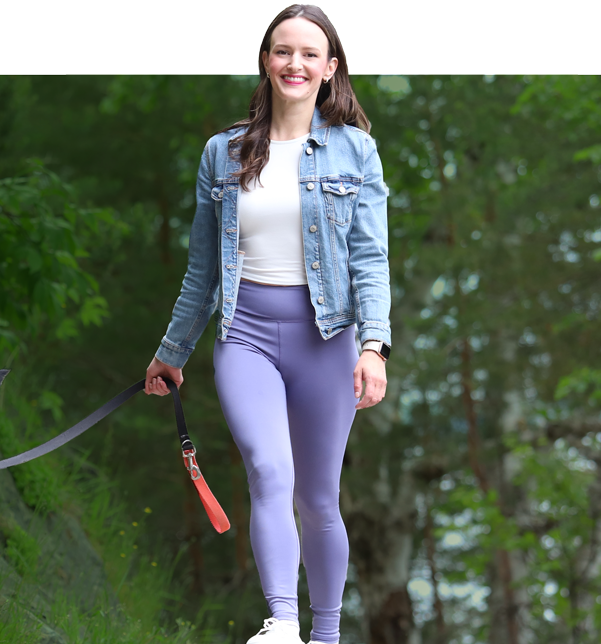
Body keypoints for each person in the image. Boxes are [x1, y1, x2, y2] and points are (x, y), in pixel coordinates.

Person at [142, 5, 392, 644]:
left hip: (327, 342)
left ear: (331, 69)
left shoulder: (355, 151)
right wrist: (172, 352)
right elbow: (202, 270)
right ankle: (282, 621)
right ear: (265, 60)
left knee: (317, 499)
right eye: (284, 51)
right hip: (245, 335)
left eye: (311, 54)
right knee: (268, 473)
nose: (296, 64)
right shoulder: (222, 154)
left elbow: (370, 257)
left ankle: (327, 634)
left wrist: (374, 346)